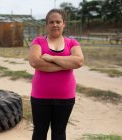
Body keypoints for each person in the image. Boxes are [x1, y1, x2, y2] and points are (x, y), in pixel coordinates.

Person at [28, 9, 84, 140]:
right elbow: (36, 62)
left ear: (64, 23)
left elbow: (79, 61)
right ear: (47, 25)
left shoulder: (72, 43)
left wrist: (51, 58)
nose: (55, 25)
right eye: (51, 22)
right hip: (40, 96)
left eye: (58, 21)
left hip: (65, 96)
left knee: (59, 132)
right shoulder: (38, 41)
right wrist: (66, 64)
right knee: (39, 131)